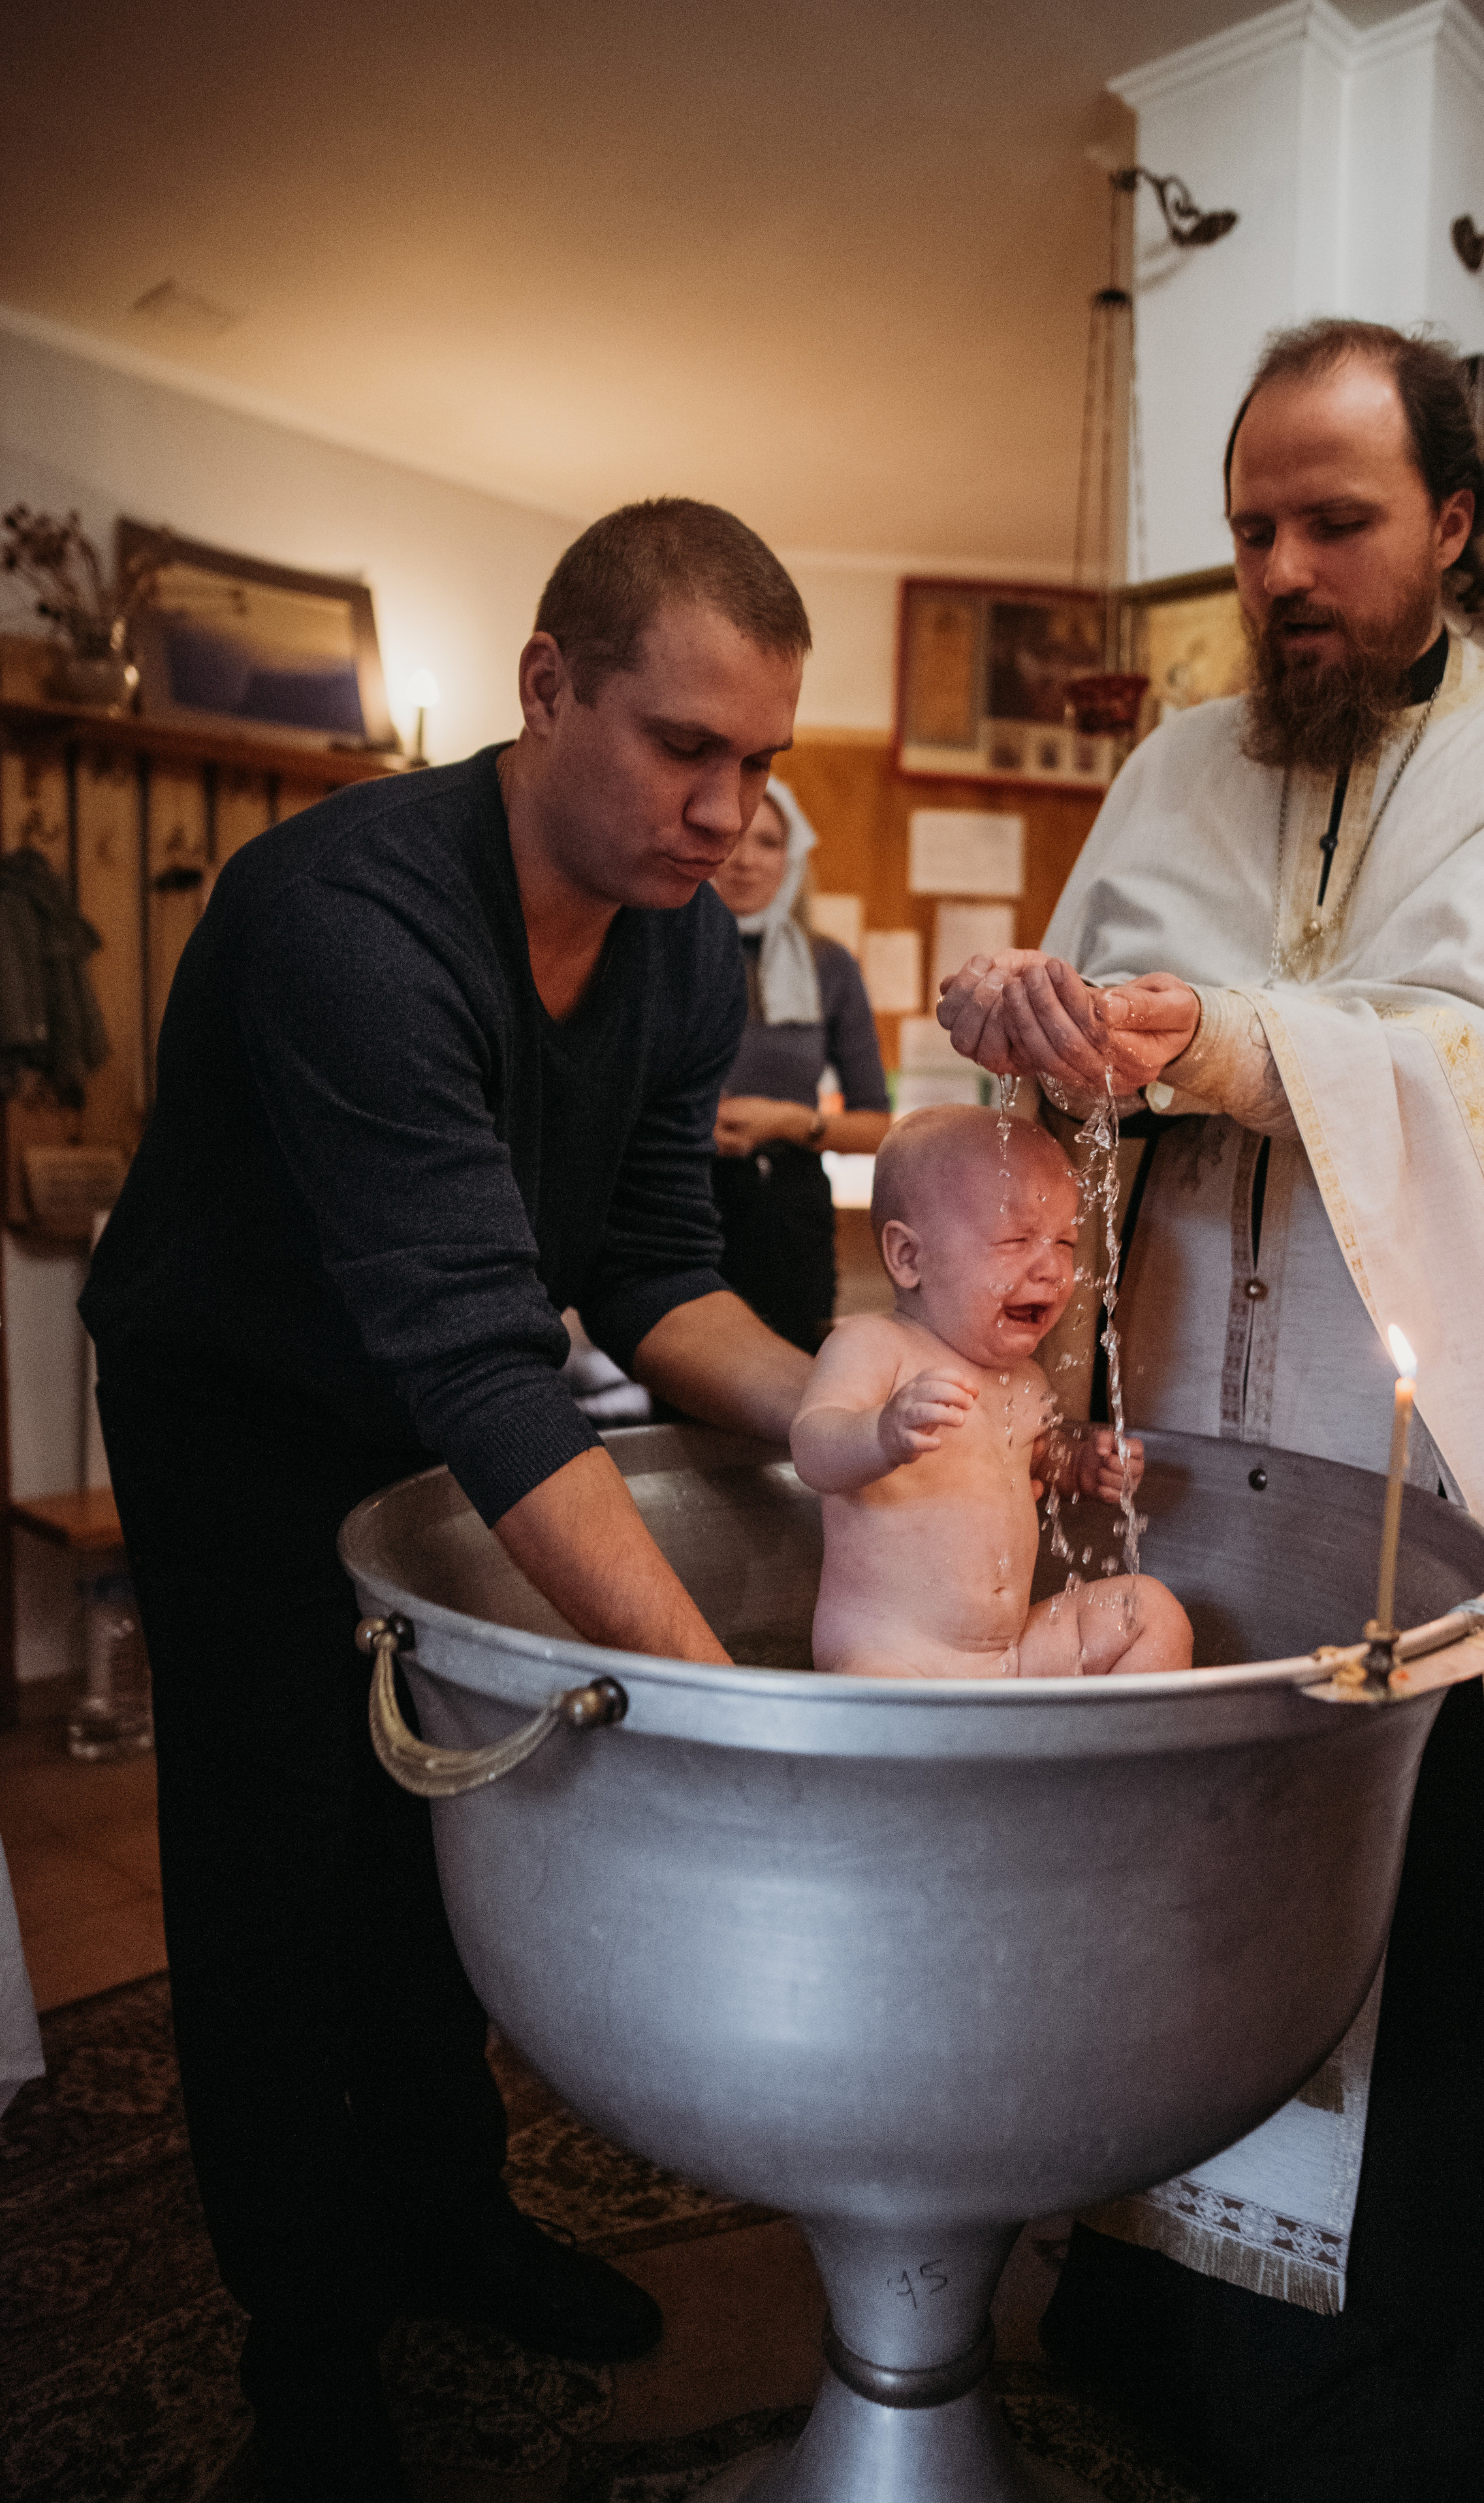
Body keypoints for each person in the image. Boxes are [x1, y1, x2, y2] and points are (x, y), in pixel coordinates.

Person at [937, 321, 1484, 2499]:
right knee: (1193, 1915)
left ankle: (1445, 2398)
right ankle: (1178, 2320)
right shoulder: (1172, 764)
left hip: (1442, 1500)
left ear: (1460, 522)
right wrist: (1028, 1028)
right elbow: (1058, 1086)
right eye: (1253, 526)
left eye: (1335, 520)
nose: (1281, 567)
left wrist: (1238, 1043)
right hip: (1196, 1483)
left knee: (1438, 1940)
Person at [79, 498, 819, 2502]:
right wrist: (718, 1710)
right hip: (235, 1410)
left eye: (759, 762)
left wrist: (835, 1416)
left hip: (428, 1412)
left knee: (436, 1828)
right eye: (683, 746)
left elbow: (657, 1270)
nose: (725, 811)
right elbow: (488, 1360)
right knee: (276, 1863)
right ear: (545, 688)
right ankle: (305, 2340)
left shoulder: (678, 951)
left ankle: (450, 2223)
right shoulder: (346, 916)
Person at [790, 1105, 1189, 1679]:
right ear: (909, 1257)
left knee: (1147, 1611)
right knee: (878, 1696)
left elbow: (1031, 1456)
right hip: (897, 1659)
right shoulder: (874, 1345)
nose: (1052, 1270)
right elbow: (811, 1449)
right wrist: (881, 1433)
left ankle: (1115, 1764)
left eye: (1066, 1242)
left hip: (1012, 1657)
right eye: (1015, 1239)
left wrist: (1079, 1463)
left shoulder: (1025, 1378)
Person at [708, 780, 890, 1351]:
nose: (744, 860)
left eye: (766, 842)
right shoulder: (649, 950)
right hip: (676, 1202)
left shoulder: (829, 966)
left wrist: (787, 1122)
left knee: (790, 1393)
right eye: (732, 837)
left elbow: (877, 1129)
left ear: (790, 858)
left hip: (787, 1212)